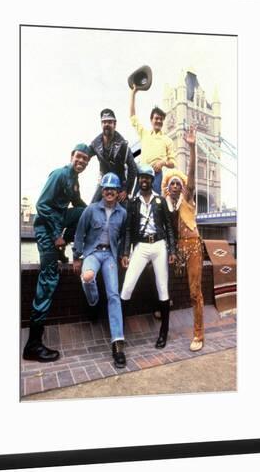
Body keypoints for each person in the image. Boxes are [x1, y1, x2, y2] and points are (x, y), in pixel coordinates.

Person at [22, 144, 91, 362]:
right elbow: (42, 205)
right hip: (45, 229)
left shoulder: (74, 181)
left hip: (56, 227)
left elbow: (79, 206)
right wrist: (55, 236)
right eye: (78, 157)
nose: (80, 161)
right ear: (71, 156)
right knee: (49, 278)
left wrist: (98, 209)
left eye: (85, 160)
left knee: (85, 213)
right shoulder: (60, 175)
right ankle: (33, 344)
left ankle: (60, 249)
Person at [73, 173, 127, 368]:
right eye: (106, 188)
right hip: (92, 254)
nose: (109, 192)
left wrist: (123, 254)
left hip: (110, 256)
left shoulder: (122, 213)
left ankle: (118, 344)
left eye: (113, 189)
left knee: (114, 294)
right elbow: (79, 233)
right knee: (87, 277)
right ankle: (94, 302)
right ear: (102, 191)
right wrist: (76, 256)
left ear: (118, 191)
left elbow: (124, 236)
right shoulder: (91, 210)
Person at [120, 165, 176, 349]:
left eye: (148, 178)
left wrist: (172, 251)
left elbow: (169, 227)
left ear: (152, 180)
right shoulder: (133, 202)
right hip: (141, 246)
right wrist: (126, 252)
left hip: (159, 245)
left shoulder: (160, 201)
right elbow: (128, 229)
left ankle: (163, 333)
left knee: (162, 288)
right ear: (139, 180)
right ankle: (119, 333)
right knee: (127, 286)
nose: (144, 180)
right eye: (142, 178)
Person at [162, 125, 205, 352]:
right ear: (168, 189)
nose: (177, 185)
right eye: (173, 184)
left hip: (193, 247)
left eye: (179, 183)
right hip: (176, 249)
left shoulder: (187, 198)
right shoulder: (166, 206)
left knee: (194, 291)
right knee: (159, 272)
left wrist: (192, 147)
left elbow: (191, 175)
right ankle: (160, 306)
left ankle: (198, 333)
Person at [130, 85, 175, 194]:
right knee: (136, 199)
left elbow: (173, 163)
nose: (159, 121)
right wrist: (133, 93)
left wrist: (163, 162)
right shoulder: (144, 134)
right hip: (141, 173)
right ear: (151, 120)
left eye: (161, 119)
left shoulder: (168, 140)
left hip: (156, 175)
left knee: (154, 203)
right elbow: (132, 117)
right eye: (156, 118)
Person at [89, 108, 137, 205]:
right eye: (104, 122)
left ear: (114, 124)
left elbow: (133, 168)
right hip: (103, 182)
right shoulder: (95, 144)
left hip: (120, 183)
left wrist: (126, 190)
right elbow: (84, 156)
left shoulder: (123, 144)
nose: (106, 124)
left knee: (124, 210)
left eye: (109, 122)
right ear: (101, 124)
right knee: (92, 207)